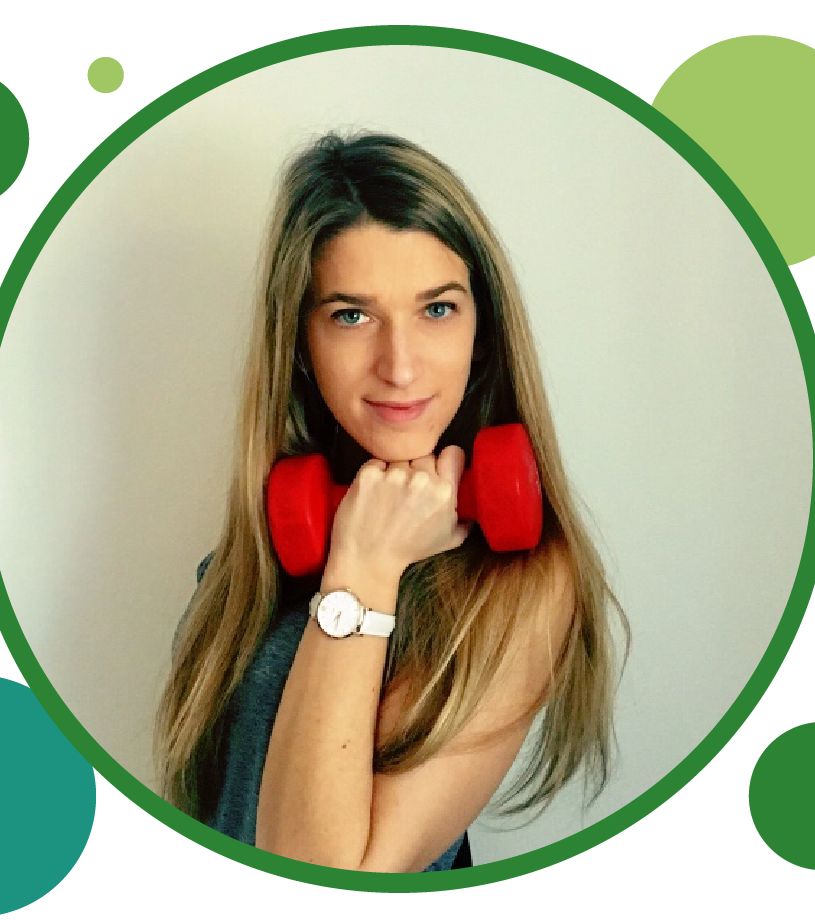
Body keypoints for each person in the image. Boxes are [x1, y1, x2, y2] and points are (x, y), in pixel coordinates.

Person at [154, 131, 627, 873]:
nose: (400, 367)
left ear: (483, 331)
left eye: (437, 309)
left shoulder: (523, 587)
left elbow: (326, 881)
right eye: (352, 315)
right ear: (299, 342)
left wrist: (364, 575)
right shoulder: (251, 562)